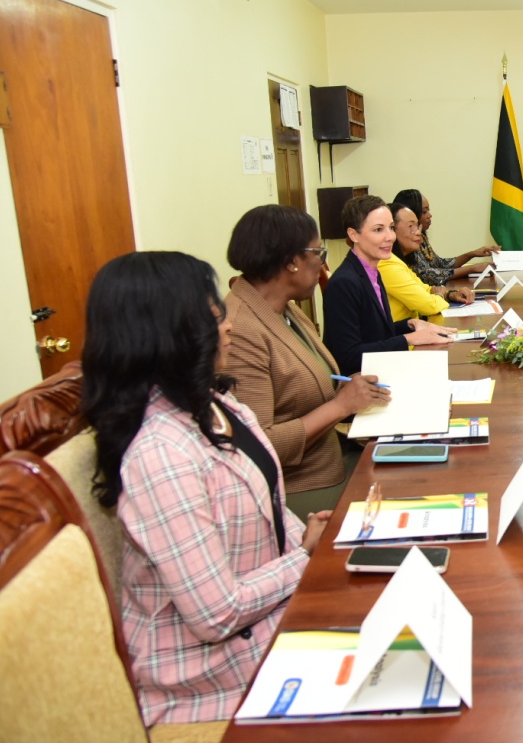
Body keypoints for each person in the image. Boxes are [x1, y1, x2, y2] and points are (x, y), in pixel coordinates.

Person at [80, 251, 327, 726]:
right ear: (168, 334)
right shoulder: (160, 455)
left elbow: (272, 502)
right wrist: (305, 558)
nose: (227, 324)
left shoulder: (218, 403)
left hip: (274, 620)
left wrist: (304, 534)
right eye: (211, 315)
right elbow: (217, 613)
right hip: (210, 677)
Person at [223, 205, 389, 516]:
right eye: (318, 252)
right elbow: (257, 445)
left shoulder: (284, 309)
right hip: (299, 487)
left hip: (335, 454)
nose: (323, 265)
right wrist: (341, 406)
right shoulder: (241, 331)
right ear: (291, 262)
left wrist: (350, 399)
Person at [323, 195, 454, 375]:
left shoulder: (372, 272)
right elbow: (348, 356)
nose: (390, 237)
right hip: (362, 385)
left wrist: (411, 324)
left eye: (391, 228)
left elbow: (375, 333)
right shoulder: (344, 283)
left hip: (382, 371)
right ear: (354, 234)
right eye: (378, 230)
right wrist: (409, 338)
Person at [383, 200, 474, 322]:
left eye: (417, 226)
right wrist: (440, 295)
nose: (418, 233)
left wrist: (450, 294)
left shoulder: (399, 261)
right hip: (402, 336)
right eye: (411, 226)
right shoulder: (387, 264)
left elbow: (424, 289)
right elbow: (429, 305)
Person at [392, 188, 499, 285]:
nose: (430, 215)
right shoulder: (407, 245)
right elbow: (427, 275)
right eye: (424, 211)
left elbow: (441, 264)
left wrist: (472, 254)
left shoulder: (421, 238)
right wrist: (472, 268)